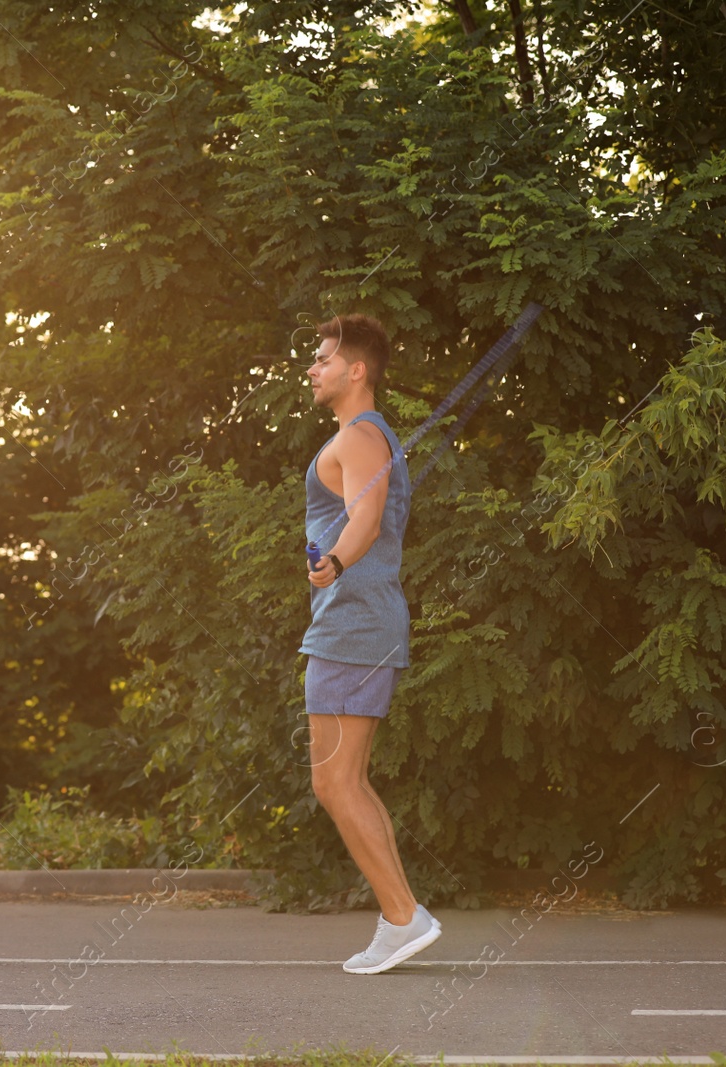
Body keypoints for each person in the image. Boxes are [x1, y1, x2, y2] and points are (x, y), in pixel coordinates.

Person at [302, 313, 442, 975]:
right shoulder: (366, 434)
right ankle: (401, 914)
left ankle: (401, 915)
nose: (313, 368)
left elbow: (365, 510)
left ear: (356, 369)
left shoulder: (360, 435)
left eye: (324, 358)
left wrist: (334, 559)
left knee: (332, 780)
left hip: (354, 624)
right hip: (358, 623)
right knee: (345, 778)